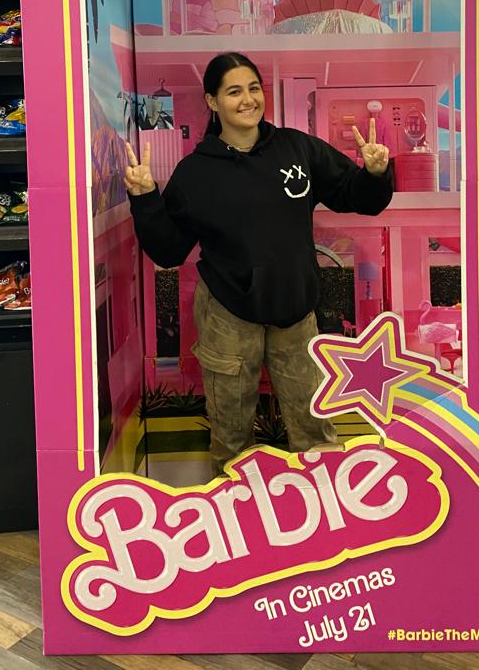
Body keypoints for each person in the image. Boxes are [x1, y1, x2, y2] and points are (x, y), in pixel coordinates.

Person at [125, 51, 392, 476]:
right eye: (234, 91)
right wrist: (145, 199)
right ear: (212, 101)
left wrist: (374, 174)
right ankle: (238, 509)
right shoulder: (196, 172)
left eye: (253, 88)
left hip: (295, 309)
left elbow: (354, 195)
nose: (248, 99)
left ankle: (323, 506)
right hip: (226, 313)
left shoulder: (296, 148)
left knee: (315, 428)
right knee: (231, 435)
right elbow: (169, 250)